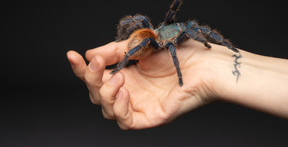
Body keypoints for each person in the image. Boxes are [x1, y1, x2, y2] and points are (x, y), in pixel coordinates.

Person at [66, 39, 288, 130]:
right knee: (140, 27)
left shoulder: (179, 34)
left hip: (160, 39)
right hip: (154, 38)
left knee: (191, 27)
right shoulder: (154, 39)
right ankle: (119, 67)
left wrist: (216, 58)